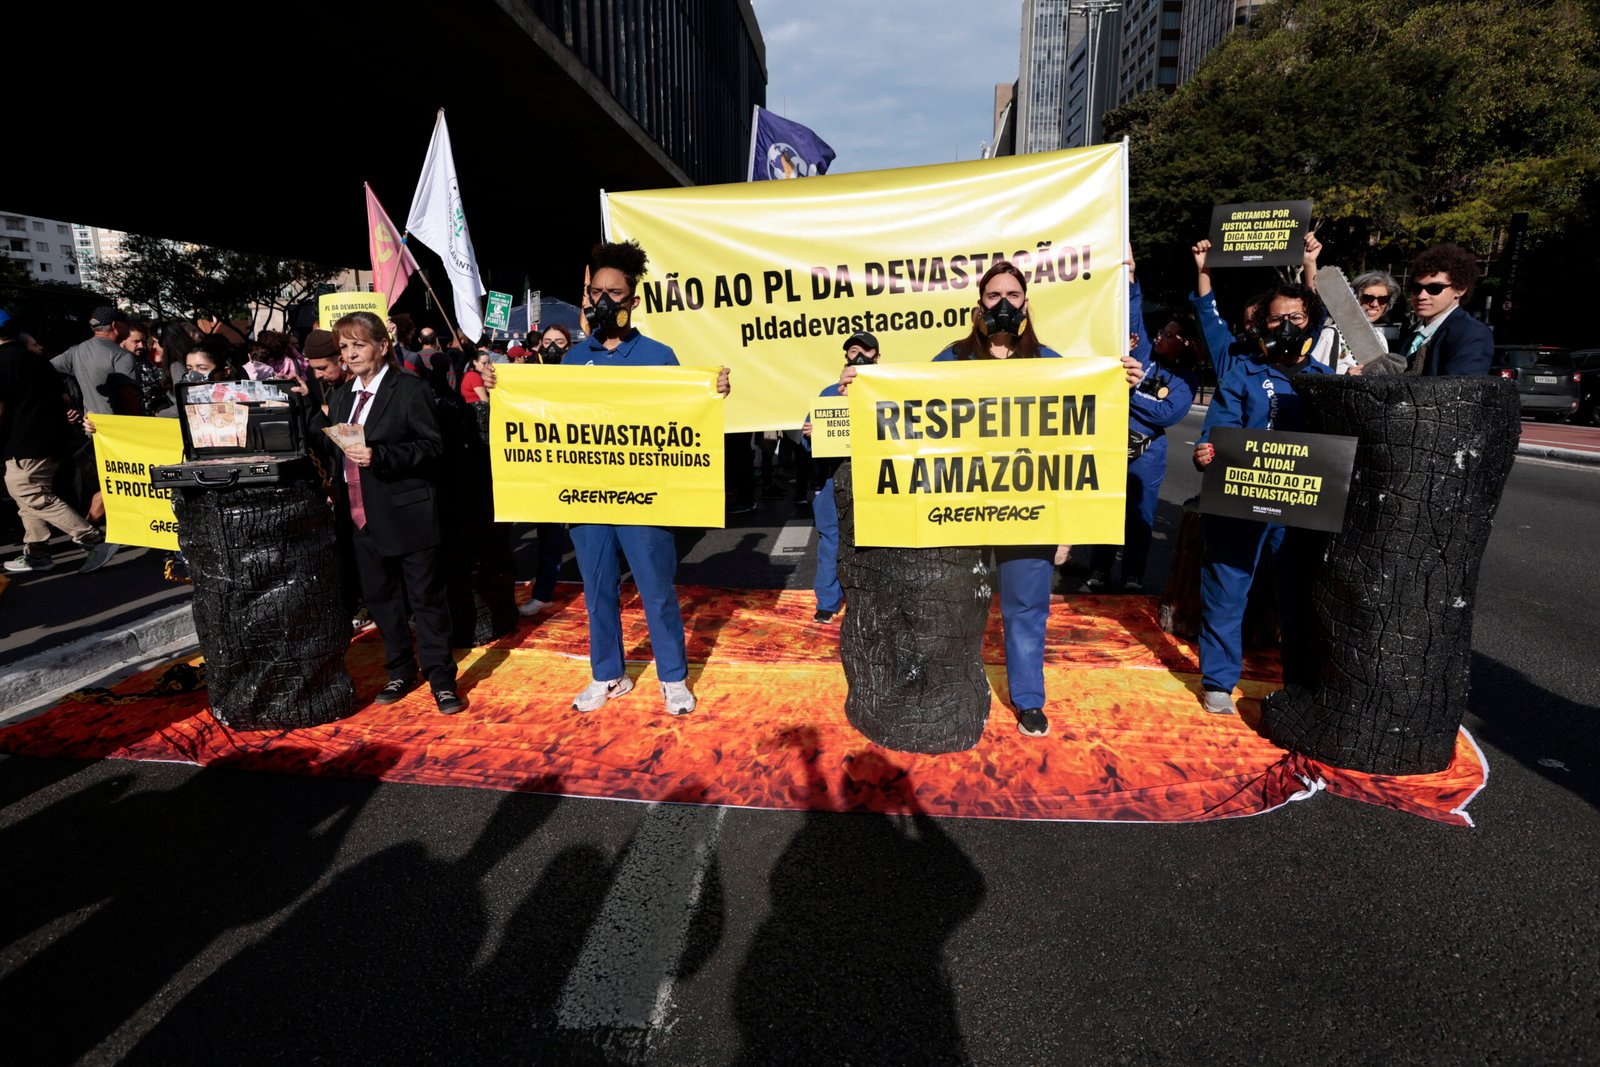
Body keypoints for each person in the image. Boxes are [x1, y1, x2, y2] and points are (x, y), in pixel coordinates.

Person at [838, 260, 1146, 739]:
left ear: (1026, 303)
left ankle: (1028, 698)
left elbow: (1078, 436)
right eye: (993, 296)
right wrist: (861, 388)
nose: (1004, 303)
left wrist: (1120, 381)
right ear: (979, 306)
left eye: (1013, 295)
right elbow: (907, 407)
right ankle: (944, 689)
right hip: (959, 511)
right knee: (950, 605)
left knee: (1026, 606)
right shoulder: (952, 358)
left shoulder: (1050, 363)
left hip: (1030, 511)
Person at [558, 240, 730, 716]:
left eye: (614, 293)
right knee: (597, 590)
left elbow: (685, 416)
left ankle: (673, 677)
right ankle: (608, 674)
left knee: (656, 590)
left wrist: (712, 393)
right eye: (596, 292)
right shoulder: (573, 358)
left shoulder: (658, 355)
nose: (602, 301)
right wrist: (503, 388)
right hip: (589, 496)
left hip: (645, 497)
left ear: (633, 301)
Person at [1191, 283, 1333, 715]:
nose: (1285, 326)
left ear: (1311, 322)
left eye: (1295, 317)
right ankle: (1218, 681)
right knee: (1226, 589)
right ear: (1262, 325)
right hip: (1239, 503)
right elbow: (1216, 433)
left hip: (1298, 509)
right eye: (1276, 319)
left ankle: (1299, 683)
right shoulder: (1241, 375)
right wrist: (1205, 452)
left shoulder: (1327, 382)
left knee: (1298, 596)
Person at [317, 311, 462, 715]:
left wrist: (381, 456)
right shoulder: (341, 396)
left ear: (382, 346)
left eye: (358, 344)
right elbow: (336, 449)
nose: (349, 354)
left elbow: (432, 447)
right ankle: (400, 670)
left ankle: (442, 679)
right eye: (344, 347)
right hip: (359, 515)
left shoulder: (410, 390)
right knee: (381, 600)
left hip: (407, 513)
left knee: (426, 600)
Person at [1085, 266, 1199, 593]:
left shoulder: (1187, 380)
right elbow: (1133, 316)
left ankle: (1133, 574)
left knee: (1140, 516)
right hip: (1112, 442)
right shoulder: (1144, 353)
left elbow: (1167, 414)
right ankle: (1099, 569)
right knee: (1107, 509)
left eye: (1169, 334)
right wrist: (1131, 276)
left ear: (1185, 343)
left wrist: (1129, 391)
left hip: (1148, 453)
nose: (1161, 336)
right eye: (1162, 331)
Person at [0, 316, 118, 574]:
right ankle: (37, 554)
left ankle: (93, 539)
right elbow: (64, 398)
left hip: (22, 445)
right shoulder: (39, 361)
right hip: (52, 441)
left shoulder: (3, 362)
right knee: (30, 498)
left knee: (30, 493)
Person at [801, 331, 878, 624]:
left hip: (872, 476)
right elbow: (808, 439)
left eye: (866, 351)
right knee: (831, 540)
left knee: (873, 542)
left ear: (877, 357)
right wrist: (809, 433)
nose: (859, 356)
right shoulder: (828, 394)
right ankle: (828, 601)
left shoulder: (888, 391)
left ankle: (870, 599)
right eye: (853, 351)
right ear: (846, 357)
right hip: (833, 476)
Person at [1397, 243, 1494, 376]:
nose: (1421, 296)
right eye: (1416, 288)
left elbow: (1461, 386)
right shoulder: (1411, 333)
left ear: (1460, 289)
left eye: (1435, 288)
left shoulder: (1472, 333)